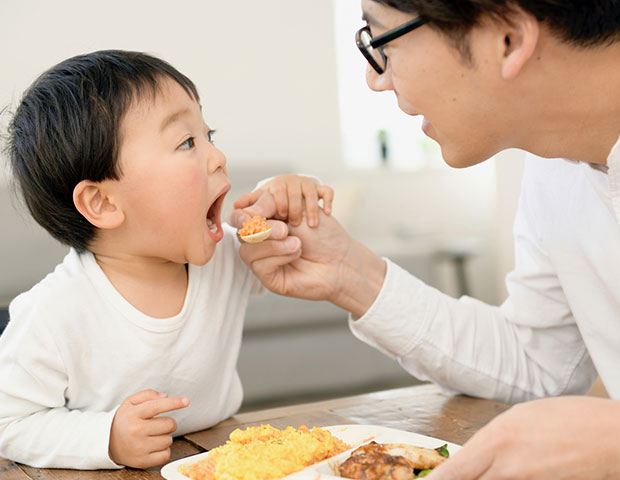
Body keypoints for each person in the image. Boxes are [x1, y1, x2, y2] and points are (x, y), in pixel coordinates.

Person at [231, 1, 620, 478]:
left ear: (508, 39)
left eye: (383, 40)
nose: (377, 79)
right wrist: (351, 275)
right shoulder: (557, 165)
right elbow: (540, 365)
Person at [0, 49, 333, 470]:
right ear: (102, 202)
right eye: (187, 142)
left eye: (210, 135)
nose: (218, 156)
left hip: (220, 455)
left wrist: (284, 196)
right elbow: (9, 422)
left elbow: (285, 245)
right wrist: (106, 438)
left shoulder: (226, 256)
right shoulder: (53, 311)